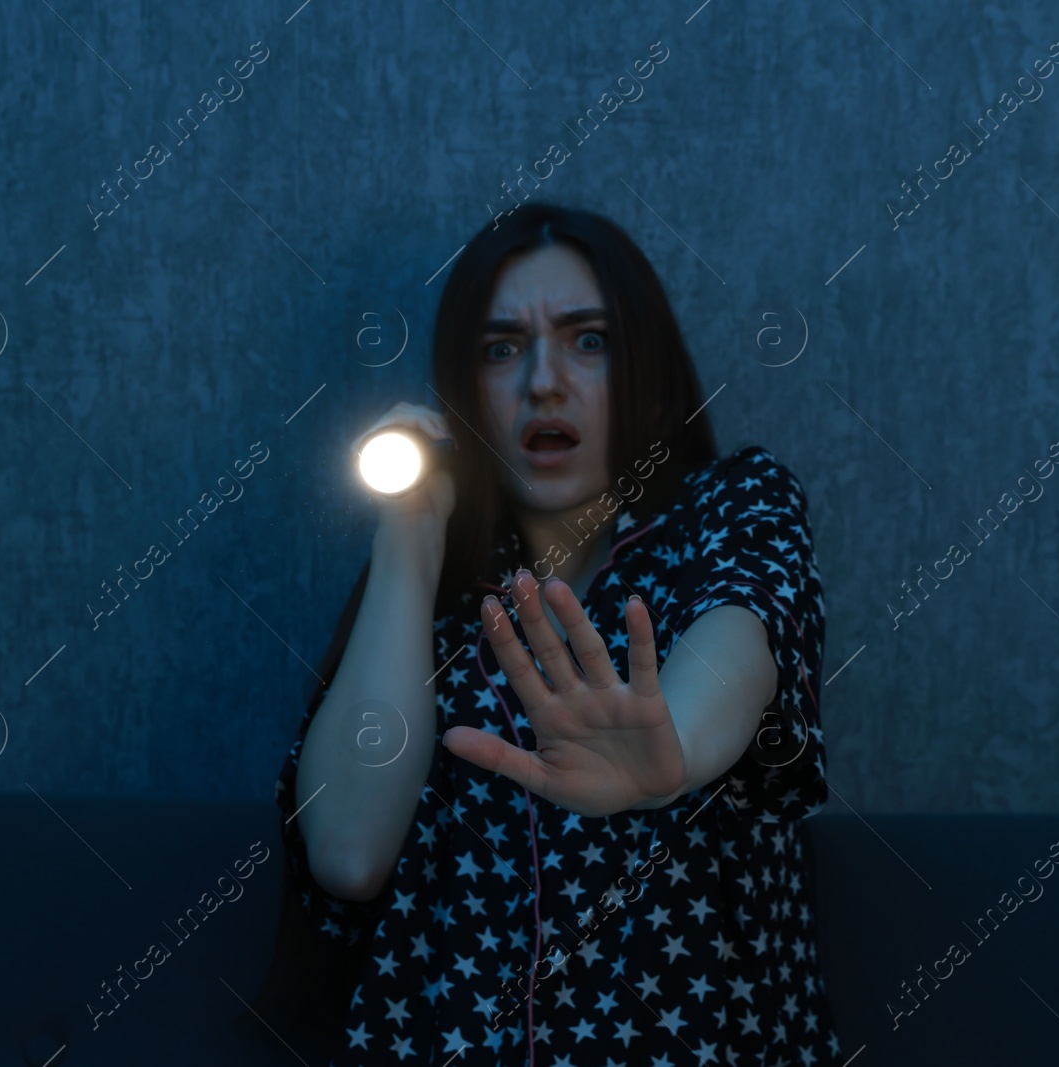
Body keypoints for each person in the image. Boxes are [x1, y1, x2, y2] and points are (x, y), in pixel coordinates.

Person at [243, 203, 843, 1066]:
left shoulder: (732, 507)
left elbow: (739, 645)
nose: (544, 382)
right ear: (465, 386)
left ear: (645, 362)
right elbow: (344, 852)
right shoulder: (435, 603)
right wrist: (410, 532)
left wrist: (671, 745)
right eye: (501, 348)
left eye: (587, 339)